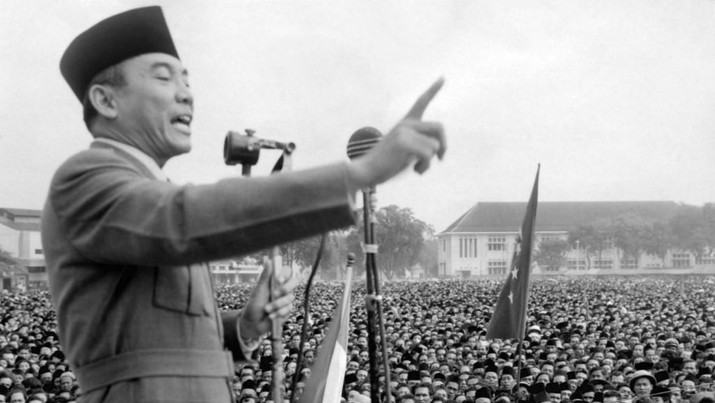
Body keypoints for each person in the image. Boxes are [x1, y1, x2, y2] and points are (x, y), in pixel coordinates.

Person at [43, 5, 446, 403]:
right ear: (105, 100)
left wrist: (246, 327)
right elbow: (182, 218)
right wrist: (356, 174)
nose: (186, 94)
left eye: (187, 80)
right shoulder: (85, 180)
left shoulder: (152, 188)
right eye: (164, 79)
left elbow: (160, 339)